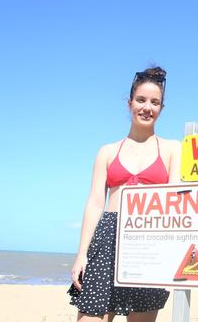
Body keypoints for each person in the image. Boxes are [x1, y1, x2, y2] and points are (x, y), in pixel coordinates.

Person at [68, 67, 182, 322]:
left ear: (162, 108)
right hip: (107, 236)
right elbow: (95, 203)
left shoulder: (173, 149)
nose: (147, 107)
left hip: (149, 240)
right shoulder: (107, 152)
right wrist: (81, 254)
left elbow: (176, 201)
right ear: (130, 103)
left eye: (155, 102)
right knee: (89, 317)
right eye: (141, 100)